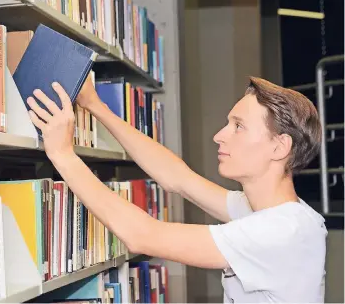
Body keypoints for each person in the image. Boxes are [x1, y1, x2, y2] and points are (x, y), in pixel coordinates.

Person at [26, 76, 327, 303]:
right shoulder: (275, 214)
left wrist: (63, 155)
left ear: (279, 146)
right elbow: (177, 178)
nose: (219, 136)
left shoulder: (281, 231)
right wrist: (96, 107)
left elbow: (142, 236)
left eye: (238, 126)